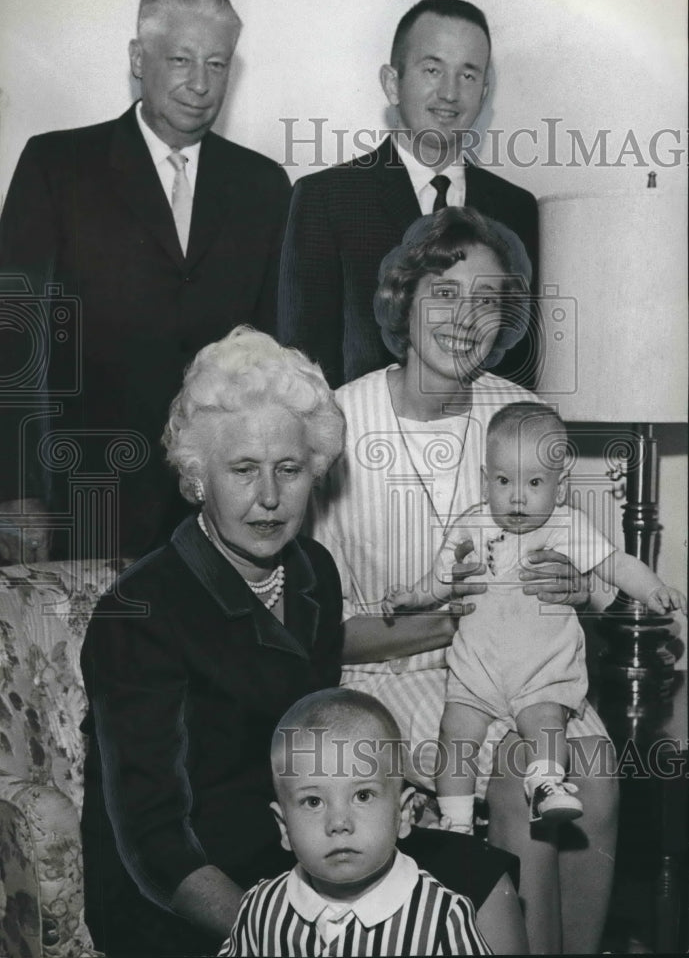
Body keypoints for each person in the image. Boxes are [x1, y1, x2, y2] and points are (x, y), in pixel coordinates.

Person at [309, 207, 619, 953]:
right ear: (402, 301)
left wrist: (576, 590)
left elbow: (591, 573)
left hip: (526, 667)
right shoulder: (336, 426)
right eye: (444, 292)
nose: (465, 316)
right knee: (521, 776)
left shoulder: (523, 417)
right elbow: (316, 632)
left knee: (600, 772)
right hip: (392, 675)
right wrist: (447, 623)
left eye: (486, 299)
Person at [0, 0, 291, 562]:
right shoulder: (58, 166)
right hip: (84, 493)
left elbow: (272, 354)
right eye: (181, 60)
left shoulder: (264, 185)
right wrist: (18, 491)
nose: (201, 84)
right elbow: (14, 343)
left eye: (217, 63)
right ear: (139, 59)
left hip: (220, 509)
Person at [79, 328, 345, 957]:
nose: (271, 499)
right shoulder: (137, 613)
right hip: (180, 889)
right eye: (243, 470)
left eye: (289, 469)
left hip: (298, 848)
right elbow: (152, 839)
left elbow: (318, 739)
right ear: (198, 478)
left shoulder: (316, 574)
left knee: (483, 882)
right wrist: (276, 938)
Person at [385, 402, 686, 833]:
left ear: (559, 487)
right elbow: (440, 581)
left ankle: (546, 782)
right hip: (478, 670)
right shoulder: (472, 523)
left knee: (546, 723)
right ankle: (456, 821)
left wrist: (654, 588)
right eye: (504, 481)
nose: (518, 497)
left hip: (541, 670)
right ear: (485, 480)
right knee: (455, 733)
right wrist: (409, 596)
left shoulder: (567, 526)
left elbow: (617, 564)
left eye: (535, 482)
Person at [278, 0, 538, 390]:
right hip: (361, 444)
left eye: (468, 75)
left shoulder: (516, 209)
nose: (450, 93)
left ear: (484, 92)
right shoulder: (326, 199)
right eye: (432, 69)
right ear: (392, 82)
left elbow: (518, 367)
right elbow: (303, 371)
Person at [219, 688, 490, 957]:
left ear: (404, 812)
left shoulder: (441, 918)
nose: (338, 823)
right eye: (313, 802)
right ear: (284, 827)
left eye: (363, 795)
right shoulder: (261, 908)